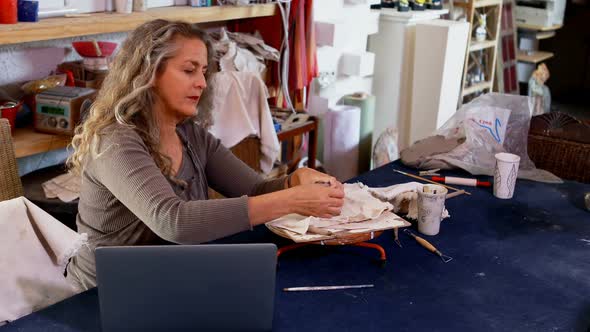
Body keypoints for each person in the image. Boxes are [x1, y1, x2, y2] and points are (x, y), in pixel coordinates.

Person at [66, 19, 344, 291]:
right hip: (103, 295)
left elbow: (256, 189)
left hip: (166, 282)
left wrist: (294, 182)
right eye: (189, 71)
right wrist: (290, 199)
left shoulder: (190, 135)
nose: (202, 82)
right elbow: (173, 221)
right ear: (148, 73)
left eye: (203, 71)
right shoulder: (115, 141)